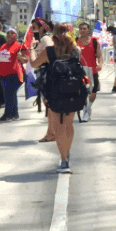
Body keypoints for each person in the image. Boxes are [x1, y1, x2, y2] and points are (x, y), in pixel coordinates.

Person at [30, 23, 84, 173]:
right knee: (68, 124)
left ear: (53, 35)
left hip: (54, 91)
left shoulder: (49, 51)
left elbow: (34, 64)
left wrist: (31, 50)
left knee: (58, 125)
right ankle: (67, 151)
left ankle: (64, 159)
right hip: (73, 90)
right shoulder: (76, 50)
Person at [0, 29, 27, 122]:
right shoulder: (3, 46)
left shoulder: (20, 46)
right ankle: (14, 114)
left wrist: (20, 57)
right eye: (8, 33)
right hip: (3, 74)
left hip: (15, 74)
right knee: (11, 94)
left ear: (16, 36)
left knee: (9, 94)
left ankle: (8, 115)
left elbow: (26, 60)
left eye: (12, 33)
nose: (10, 35)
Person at [76, 22, 105, 121]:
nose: (83, 30)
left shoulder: (94, 41)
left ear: (88, 30)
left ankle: (88, 108)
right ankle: (86, 112)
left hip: (92, 71)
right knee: (83, 93)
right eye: (81, 29)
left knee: (93, 94)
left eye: (84, 28)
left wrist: (100, 64)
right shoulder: (75, 42)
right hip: (80, 72)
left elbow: (99, 55)